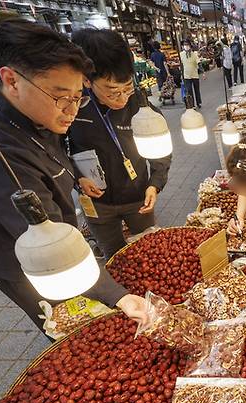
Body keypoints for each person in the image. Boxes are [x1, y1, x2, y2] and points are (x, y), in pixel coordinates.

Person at [0, 19, 148, 333]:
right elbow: (46, 235)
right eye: (61, 97)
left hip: (54, 234)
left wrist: (75, 177)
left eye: (79, 96)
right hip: (27, 262)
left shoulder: (32, 111)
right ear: (11, 80)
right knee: (72, 333)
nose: (72, 110)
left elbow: (50, 156)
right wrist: (117, 296)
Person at [69, 28, 171, 260]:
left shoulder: (140, 106)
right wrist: (76, 177)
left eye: (127, 88)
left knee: (149, 252)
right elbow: (54, 151)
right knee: (114, 257)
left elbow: (161, 150)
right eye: (113, 91)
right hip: (96, 203)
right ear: (87, 79)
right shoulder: (70, 107)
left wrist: (155, 184)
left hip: (138, 196)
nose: (123, 98)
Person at [180, 39, 201, 108]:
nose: (186, 46)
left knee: (196, 90)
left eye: (187, 44)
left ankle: (199, 102)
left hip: (194, 74)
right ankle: (192, 104)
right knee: (189, 90)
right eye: (185, 45)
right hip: (186, 75)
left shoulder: (194, 54)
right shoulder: (181, 54)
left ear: (190, 45)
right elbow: (181, 65)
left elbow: (198, 62)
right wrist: (181, 75)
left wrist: (203, 72)